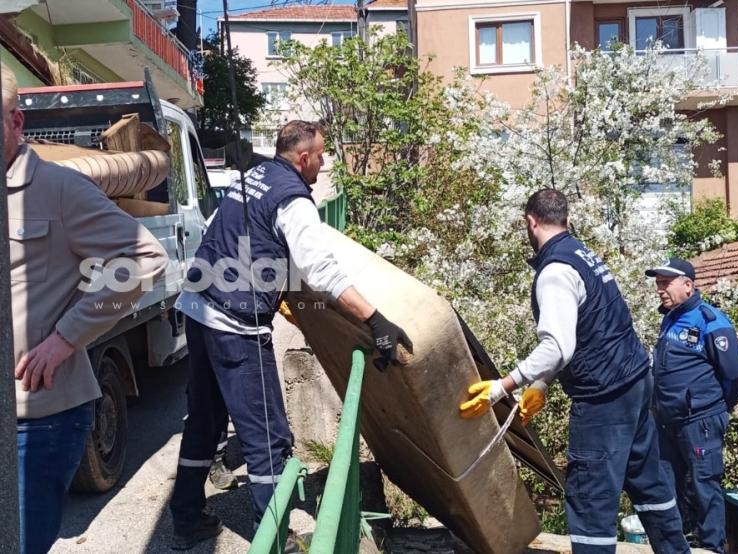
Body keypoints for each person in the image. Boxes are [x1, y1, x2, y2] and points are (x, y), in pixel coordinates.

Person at [169, 120, 411, 550]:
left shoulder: (253, 177)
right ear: (303, 158)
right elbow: (321, 270)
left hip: (198, 309)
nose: (323, 162)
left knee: (204, 421)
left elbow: (231, 234)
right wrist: (375, 320)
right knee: (267, 436)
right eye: (320, 155)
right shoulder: (293, 198)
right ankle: (277, 539)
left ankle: (186, 519)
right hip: (235, 324)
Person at [459, 188, 690, 554]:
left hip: (604, 398)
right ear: (565, 219)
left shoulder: (555, 271)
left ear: (531, 222)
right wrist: (542, 381)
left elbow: (558, 346)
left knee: (591, 497)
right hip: (634, 382)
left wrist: (503, 387)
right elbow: (589, 328)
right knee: (649, 482)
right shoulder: (583, 254)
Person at [3, 62, 168, 554]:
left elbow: (145, 259)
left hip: (35, 418)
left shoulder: (58, 189)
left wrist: (65, 338)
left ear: (16, 122)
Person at [646, 258, 738, 553]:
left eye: (666, 283)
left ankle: (712, 547)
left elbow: (735, 375)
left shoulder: (710, 321)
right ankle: (677, 544)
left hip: (700, 421)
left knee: (705, 485)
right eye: (658, 283)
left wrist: (716, 408)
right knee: (669, 485)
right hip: (668, 422)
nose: (660, 289)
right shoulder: (669, 319)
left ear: (688, 285)